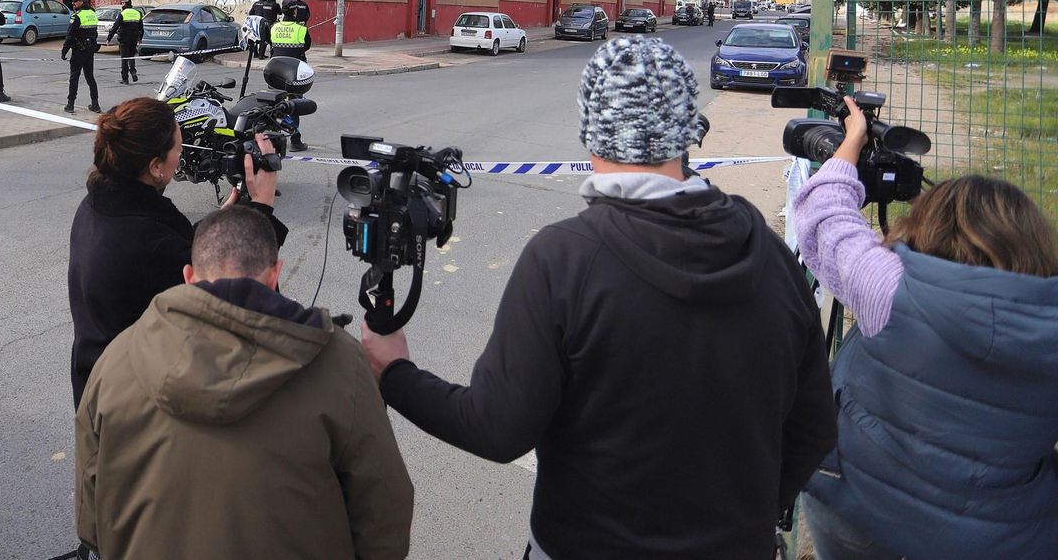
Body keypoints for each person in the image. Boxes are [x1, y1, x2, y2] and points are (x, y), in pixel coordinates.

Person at [359, 36, 837, 560]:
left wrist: (394, 375)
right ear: (686, 132)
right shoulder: (770, 252)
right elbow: (814, 429)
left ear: (592, 132)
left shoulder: (562, 260)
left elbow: (497, 429)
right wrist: (748, 515)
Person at [793, 109, 1058, 560]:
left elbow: (824, 218)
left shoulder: (890, 289)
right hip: (1003, 536)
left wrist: (851, 141)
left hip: (861, 512)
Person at [76, 205, 413, 560]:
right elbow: (384, 511)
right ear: (274, 274)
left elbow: (91, 518)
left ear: (189, 276)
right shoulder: (339, 361)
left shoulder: (116, 361)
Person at [68, 97, 287, 406]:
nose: (182, 152)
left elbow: (172, 249)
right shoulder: (148, 240)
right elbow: (246, 302)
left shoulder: (96, 206)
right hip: (137, 405)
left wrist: (219, 223)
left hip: (97, 382)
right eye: (177, 148)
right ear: (155, 166)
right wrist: (262, 209)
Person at [267, 8, 311, 151]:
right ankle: (295, 141)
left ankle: (273, 140)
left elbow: (270, 42)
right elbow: (307, 46)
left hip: (275, 71)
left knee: (274, 105)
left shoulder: (274, 27)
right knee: (294, 106)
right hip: (294, 72)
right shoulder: (301, 29)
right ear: (294, 12)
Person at [62, 0, 101, 115]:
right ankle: (95, 104)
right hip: (90, 49)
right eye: (72, 1)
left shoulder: (77, 16)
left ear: (82, 2)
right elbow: (95, 33)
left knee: (74, 77)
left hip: (79, 50)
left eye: (75, 1)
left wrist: (64, 50)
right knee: (90, 77)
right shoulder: (92, 14)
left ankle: (70, 104)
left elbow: (70, 35)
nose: (73, 3)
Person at [106, 0, 143, 84]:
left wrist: (109, 39)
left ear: (125, 4)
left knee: (124, 58)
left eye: (122, 3)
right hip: (134, 38)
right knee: (131, 55)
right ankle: (133, 71)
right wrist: (140, 38)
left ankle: (125, 78)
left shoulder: (123, 13)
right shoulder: (137, 13)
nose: (121, 5)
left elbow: (115, 27)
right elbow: (141, 27)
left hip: (124, 38)